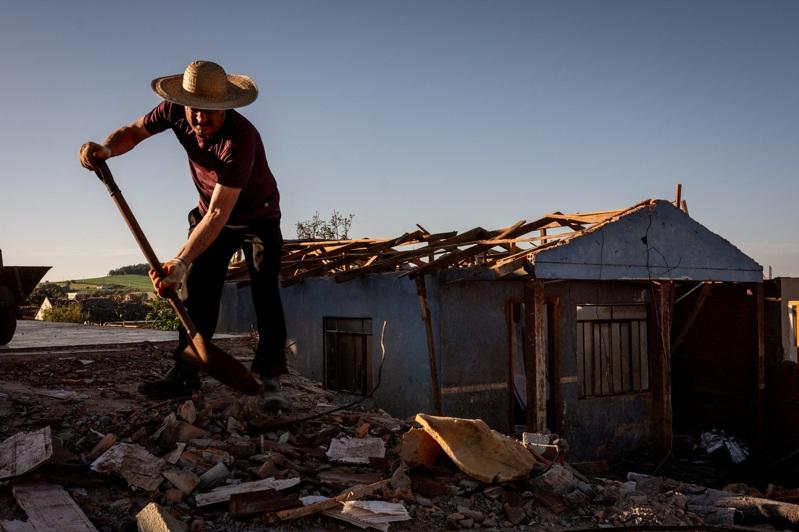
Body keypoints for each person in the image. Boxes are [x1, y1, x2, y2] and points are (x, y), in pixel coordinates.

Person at [79, 60, 288, 410]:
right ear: (184, 104)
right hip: (209, 212)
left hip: (257, 217)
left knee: (265, 291)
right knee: (198, 292)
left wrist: (179, 260)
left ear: (226, 109)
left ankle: (271, 375)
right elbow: (133, 131)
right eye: (195, 112)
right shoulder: (173, 110)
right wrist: (107, 149)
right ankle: (185, 374)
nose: (200, 120)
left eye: (210, 114)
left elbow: (222, 213)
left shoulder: (242, 139)